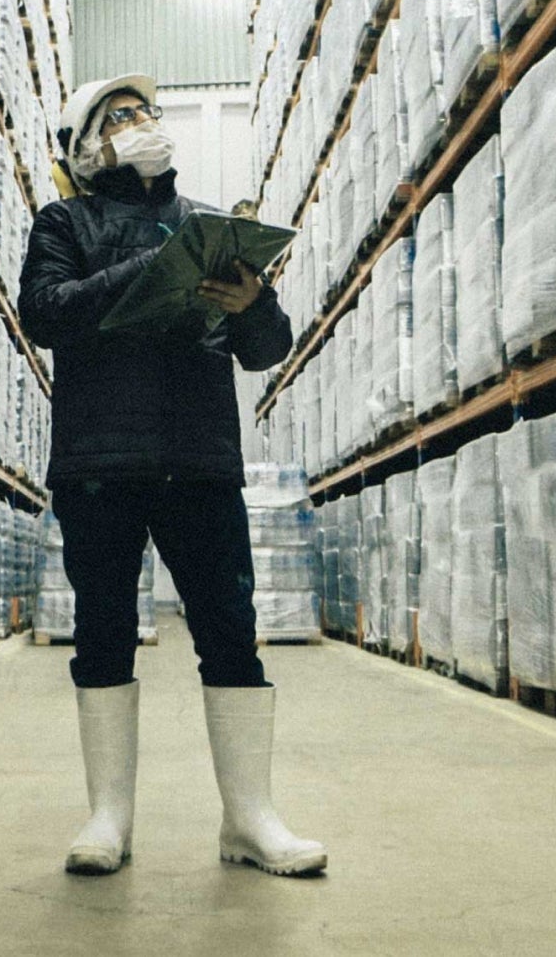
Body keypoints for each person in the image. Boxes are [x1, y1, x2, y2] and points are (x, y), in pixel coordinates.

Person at [19, 74, 327, 879]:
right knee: (105, 629)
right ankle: (108, 818)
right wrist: (152, 271)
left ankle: (249, 820)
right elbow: (45, 311)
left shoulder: (208, 225)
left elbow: (267, 350)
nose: (142, 123)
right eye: (121, 115)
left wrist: (248, 301)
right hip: (101, 461)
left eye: (147, 112)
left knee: (229, 629)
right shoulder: (65, 222)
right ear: (86, 144)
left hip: (198, 460)